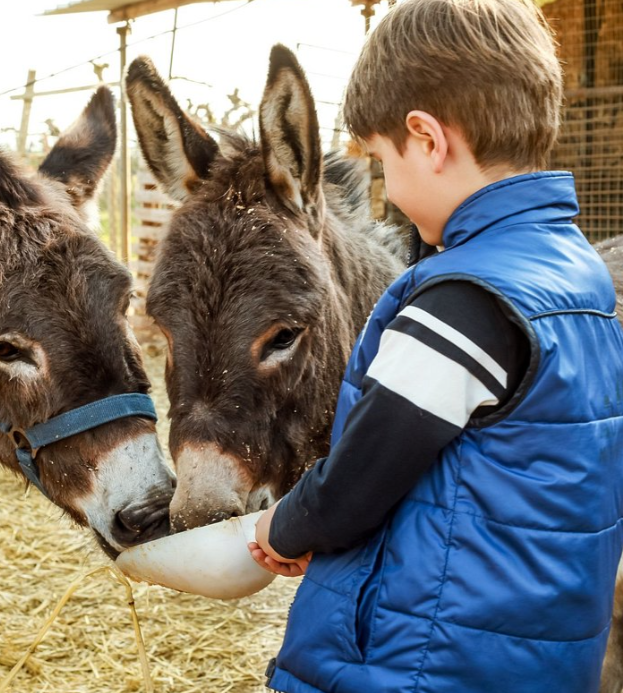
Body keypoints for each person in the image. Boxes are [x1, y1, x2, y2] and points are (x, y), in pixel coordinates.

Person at [248, 1, 623, 691]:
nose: (386, 188)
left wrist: (287, 525)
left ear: (426, 139)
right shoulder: (579, 273)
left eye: (382, 160)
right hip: (540, 657)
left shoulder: (462, 303)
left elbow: (359, 478)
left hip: (427, 661)